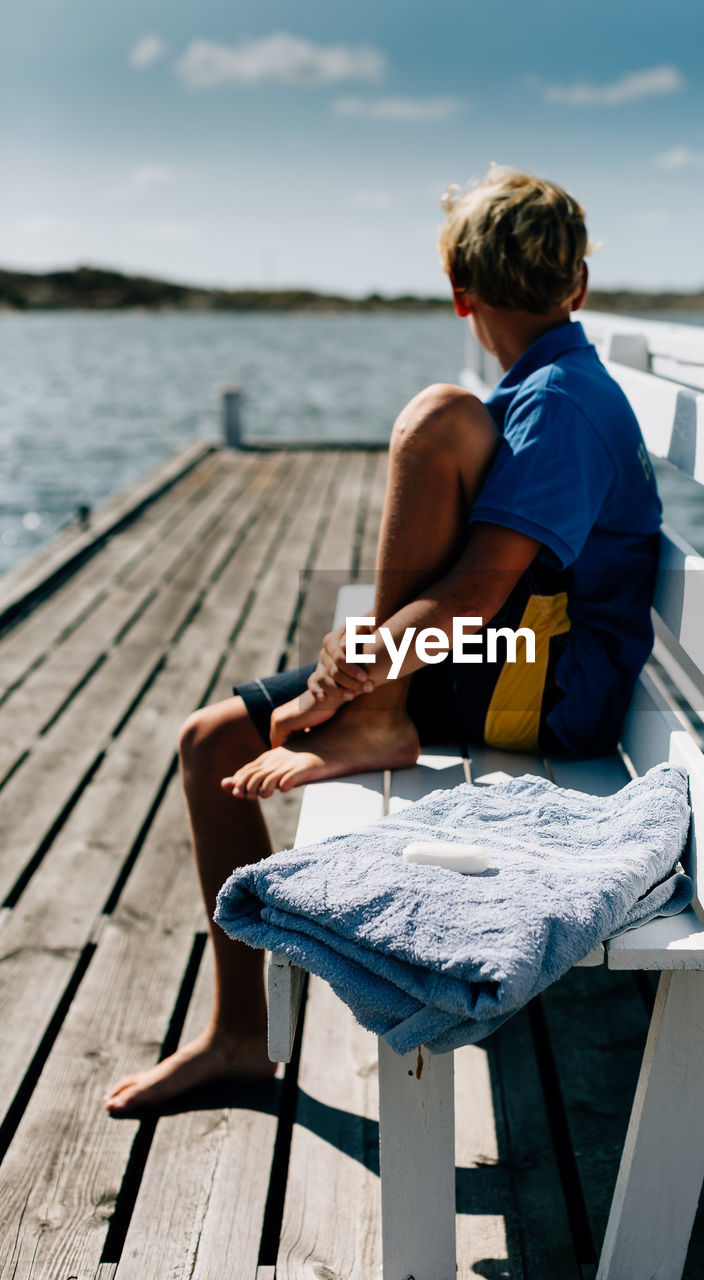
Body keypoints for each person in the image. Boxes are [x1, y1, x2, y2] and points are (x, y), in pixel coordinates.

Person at [104, 164, 661, 1114]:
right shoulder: (549, 388)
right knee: (212, 741)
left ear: (459, 294)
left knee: (435, 417)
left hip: (549, 682)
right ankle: (241, 1039)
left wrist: (346, 681)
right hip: (530, 655)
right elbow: (479, 586)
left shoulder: (559, 405)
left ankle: (378, 729)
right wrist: (363, 659)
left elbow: (480, 593)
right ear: (578, 289)